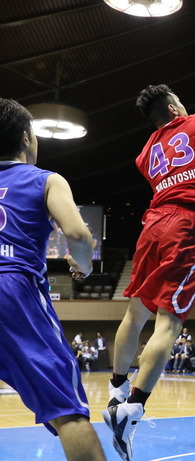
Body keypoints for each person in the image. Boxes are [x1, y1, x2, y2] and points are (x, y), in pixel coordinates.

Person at [102, 36, 195, 461]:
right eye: (181, 102)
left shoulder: (147, 152)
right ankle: (132, 409)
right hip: (185, 230)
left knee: (135, 312)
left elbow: (186, 185)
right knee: (169, 324)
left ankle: (115, 389)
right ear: (173, 109)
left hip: (153, 224)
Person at [0, 98, 106, 460]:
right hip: (13, 291)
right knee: (69, 412)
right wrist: (86, 266)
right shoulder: (45, 179)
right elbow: (78, 235)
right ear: (28, 139)